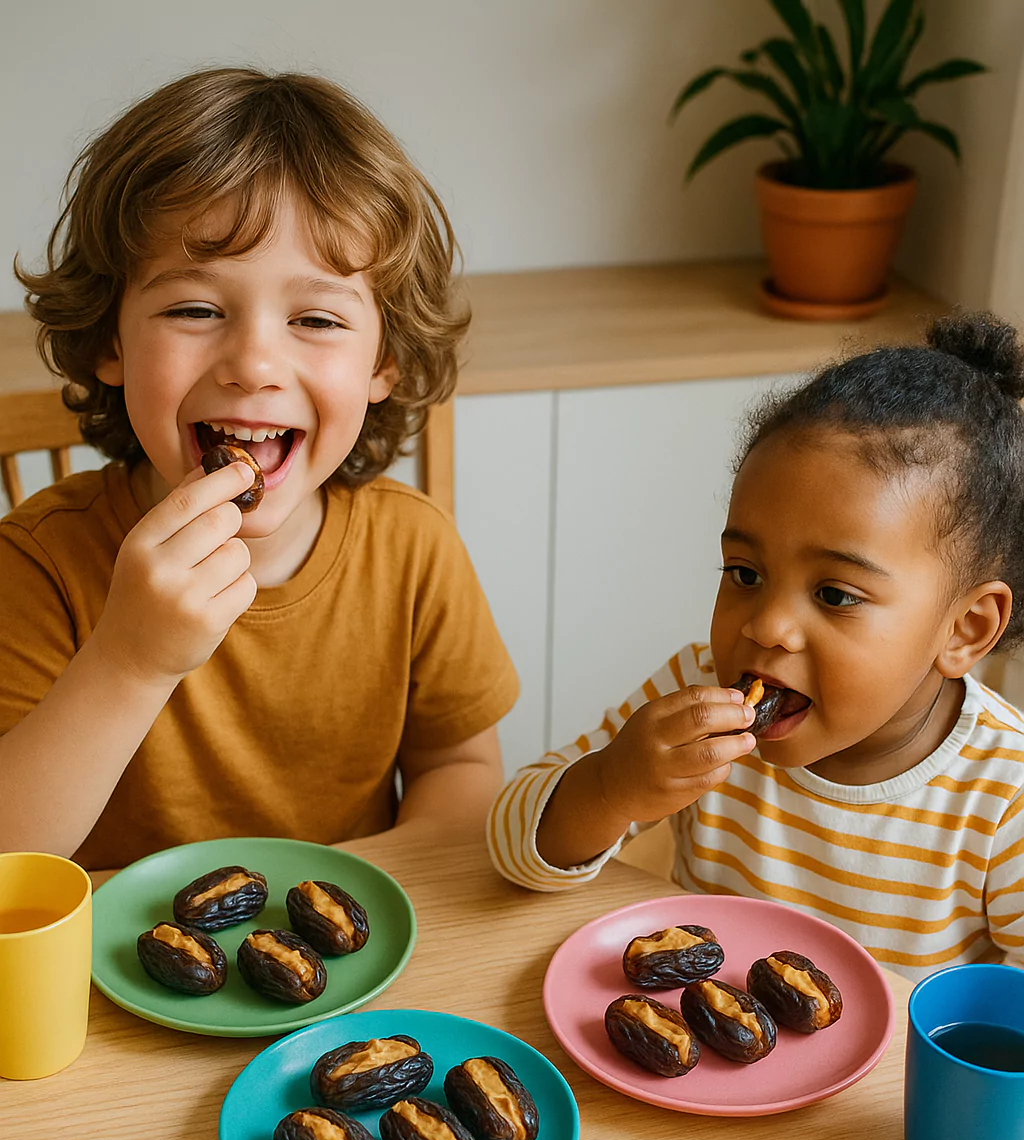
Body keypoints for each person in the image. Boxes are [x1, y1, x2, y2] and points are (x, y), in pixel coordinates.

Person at [1, 68, 518, 870]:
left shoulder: (413, 550)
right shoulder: (38, 564)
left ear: (385, 361)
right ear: (110, 340)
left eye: (315, 318)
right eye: (196, 309)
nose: (254, 364)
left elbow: (460, 770)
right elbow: (9, 857)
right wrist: (129, 661)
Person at [489, 313, 1024, 981]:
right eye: (745, 574)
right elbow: (511, 845)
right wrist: (611, 787)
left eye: (835, 594)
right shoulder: (694, 695)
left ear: (965, 629)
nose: (766, 626)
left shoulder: (1005, 795)